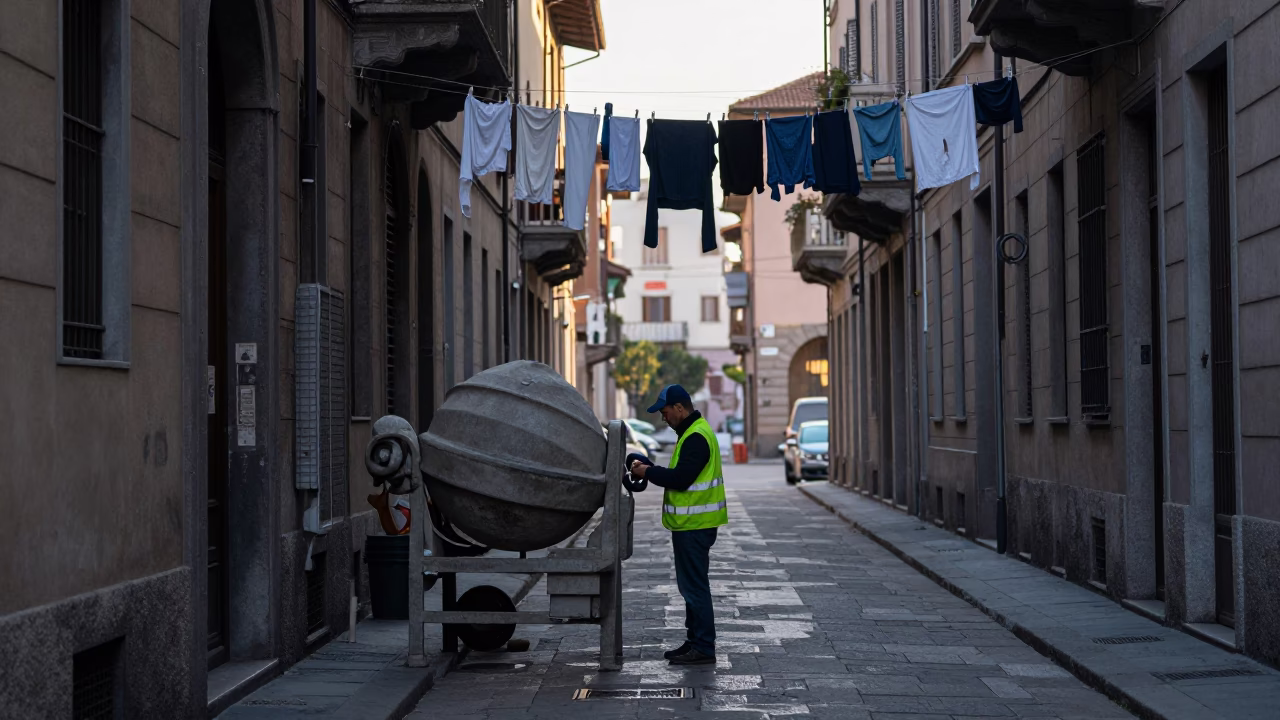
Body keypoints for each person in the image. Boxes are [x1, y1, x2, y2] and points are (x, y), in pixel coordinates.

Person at [629, 384, 727, 666]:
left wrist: (647, 471)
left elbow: (681, 478)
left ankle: (704, 646)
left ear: (680, 408)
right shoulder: (692, 433)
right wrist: (651, 468)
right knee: (691, 586)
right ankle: (694, 640)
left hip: (695, 525)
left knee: (694, 586)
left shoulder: (696, 437)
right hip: (691, 524)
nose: (664, 418)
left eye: (665, 412)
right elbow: (678, 473)